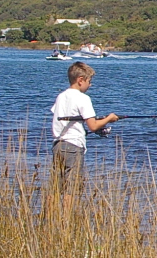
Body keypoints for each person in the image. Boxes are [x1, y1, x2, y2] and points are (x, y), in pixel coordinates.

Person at [50, 61, 119, 212]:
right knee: (72, 187)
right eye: (89, 81)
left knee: (56, 186)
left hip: (58, 145)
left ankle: (49, 217)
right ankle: (66, 221)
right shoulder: (83, 98)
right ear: (81, 80)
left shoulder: (61, 96)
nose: (90, 85)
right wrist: (109, 118)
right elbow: (93, 126)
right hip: (74, 147)